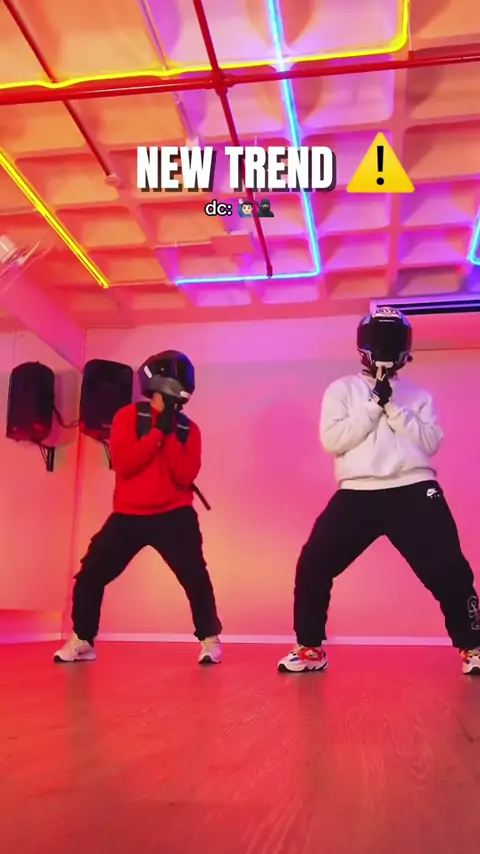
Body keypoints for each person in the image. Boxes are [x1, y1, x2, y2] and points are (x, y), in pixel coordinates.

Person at [278, 307, 480, 676]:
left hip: (414, 489)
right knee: (314, 563)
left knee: (449, 568)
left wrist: (393, 406)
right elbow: (334, 440)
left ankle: (474, 647)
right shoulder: (342, 389)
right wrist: (373, 404)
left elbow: (430, 442)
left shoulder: (417, 395)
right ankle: (309, 649)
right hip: (358, 493)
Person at [54, 350, 222, 666]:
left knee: (195, 577)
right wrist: (157, 432)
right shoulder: (128, 417)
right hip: (128, 516)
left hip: (175, 516)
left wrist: (169, 434)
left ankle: (210, 640)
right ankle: (83, 640)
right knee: (90, 575)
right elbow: (125, 464)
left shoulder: (189, 429)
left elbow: (184, 476)